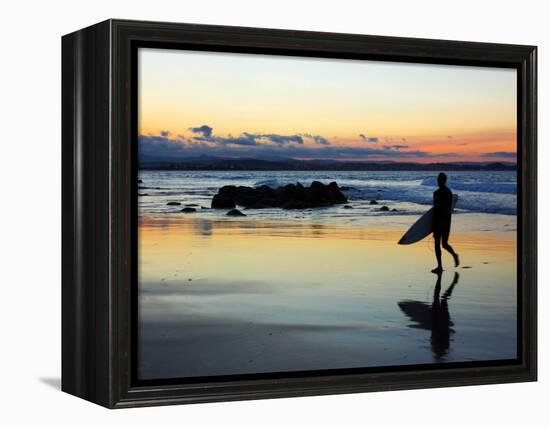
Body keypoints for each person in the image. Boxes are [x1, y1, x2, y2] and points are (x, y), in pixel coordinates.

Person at [432, 173, 459, 273]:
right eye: (438, 180)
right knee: (436, 244)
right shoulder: (436, 193)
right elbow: (434, 209)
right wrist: (432, 225)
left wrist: (444, 221)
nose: (439, 182)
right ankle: (439, 266)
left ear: (445, 180)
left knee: (444, 244)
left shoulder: (448, 192)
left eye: (441, 180)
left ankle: (454, 255)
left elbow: (448, 209)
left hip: (445, 221)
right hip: (436, 221)